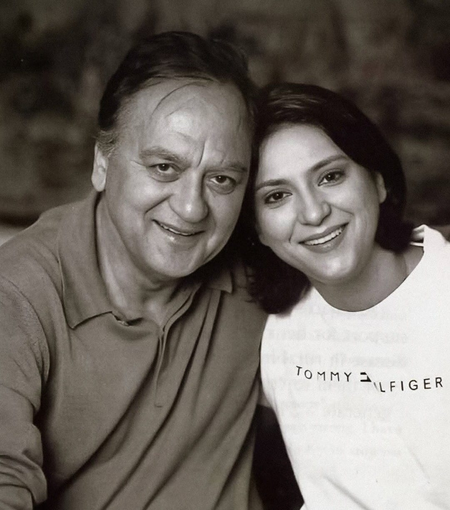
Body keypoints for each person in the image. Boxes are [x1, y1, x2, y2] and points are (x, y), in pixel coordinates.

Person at [0, 31, 268, 509]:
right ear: (102, 163)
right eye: (165, 167)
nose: (191, 208)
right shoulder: (17, 293)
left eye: (222, 179)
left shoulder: (267, 273)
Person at [245, 82, 450, 509]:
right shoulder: (270, 327)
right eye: (277, 196)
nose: (314, 212)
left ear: (378, 180)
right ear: (257, 229)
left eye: (330, 176)